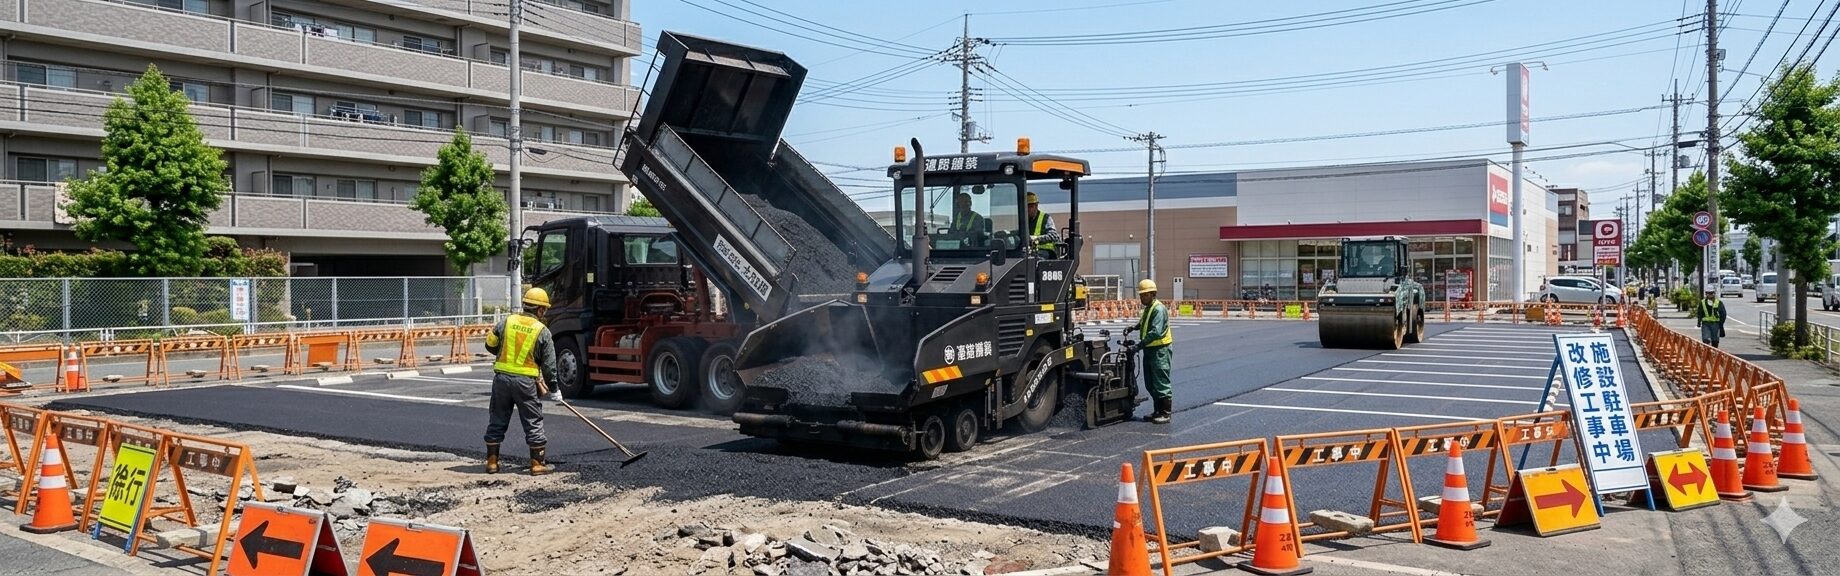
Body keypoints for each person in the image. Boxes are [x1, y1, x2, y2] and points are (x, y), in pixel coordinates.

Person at [484, 287, 560, 475]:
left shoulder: (506, 322)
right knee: (533, 420)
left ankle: (492, 463)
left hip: (501, 380)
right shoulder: (542, 331)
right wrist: (554, 388)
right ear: (540, 310)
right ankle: (537, 464)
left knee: (497, 418)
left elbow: (490, 345)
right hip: (525, 383)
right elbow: (550, 366)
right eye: (545, 311)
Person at [1129, 279, 1173, 424]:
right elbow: (1144, 322)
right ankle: (1157, 411)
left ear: (1152, 294)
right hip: (1150, 350)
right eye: (1141, 295)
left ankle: (1165, 413)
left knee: (1160, 381)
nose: (1141, 298)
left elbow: (1155, 332)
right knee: (1151, 383)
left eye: (1144, 295)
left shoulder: (1158, 309)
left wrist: (1138, 345)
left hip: (1159, 350)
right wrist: (1133, 328)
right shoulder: (1149, 307)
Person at [1026, 192, 1060, 258]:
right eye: (1026, 206)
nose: (1028, 209)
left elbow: (1054, 236)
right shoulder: (1022, 220)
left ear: (1036, 206)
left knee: (1034, 258)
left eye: (1030, 206)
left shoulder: (1045, 218)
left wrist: (1036, 238)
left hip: (1046, 252)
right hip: (1028, 252)